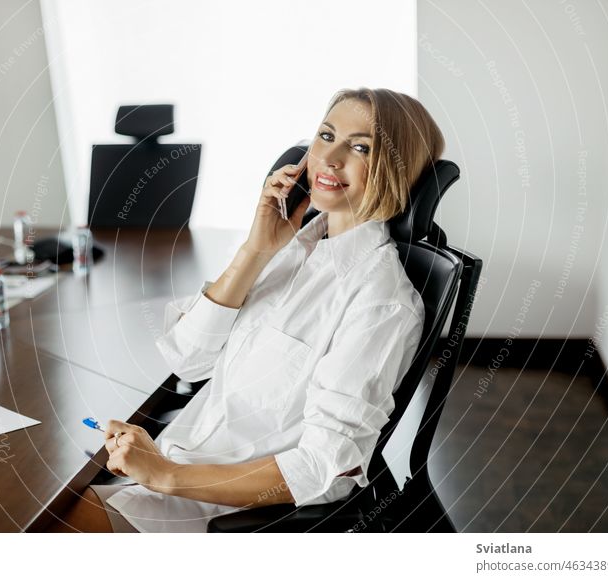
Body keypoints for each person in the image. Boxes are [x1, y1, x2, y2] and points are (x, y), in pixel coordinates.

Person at [47, 87, 445, 533]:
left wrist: (168, 476)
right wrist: (255, 250)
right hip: (173, 465)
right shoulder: (293, 247)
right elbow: (188, 359)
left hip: (221, 508)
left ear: (398, 168)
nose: (329, 159)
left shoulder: (380, 300)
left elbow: (324, 467)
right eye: (325, 136)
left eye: (359, 147)